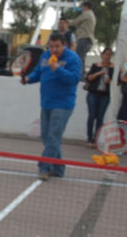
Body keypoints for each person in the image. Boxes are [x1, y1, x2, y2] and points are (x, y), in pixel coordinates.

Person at [21, 32, 82, 180]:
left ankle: (44, 167)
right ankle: (59, 169)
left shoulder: (73, 58)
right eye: (51, 46)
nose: (54, 50)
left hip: (63, 104)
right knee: (46, 137)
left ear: (64, 45)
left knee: (54, 136)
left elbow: (74, 79)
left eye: (57, 46)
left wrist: (57, 69)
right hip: (46, 102)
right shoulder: (45, 56)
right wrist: (28, 79)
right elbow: (38, 73)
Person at [84, 48, 114, 147]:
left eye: (109, 55)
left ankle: (96, 138)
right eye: (106, 54)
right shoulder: (95, 66)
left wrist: (110, 81)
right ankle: (89, 138)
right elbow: (89, 78)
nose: (107, 57)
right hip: (93, 93)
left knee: (100, 117)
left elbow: (117, 82)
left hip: (105, 94)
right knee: (92, 115)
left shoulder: (113, 68)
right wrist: (99, 73)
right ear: (102, 55)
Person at [70, 1, 96, 77]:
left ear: (85, 7)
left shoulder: (87, 14)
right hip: (88, 39)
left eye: (82, 7)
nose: (81, 9)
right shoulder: (91, 14)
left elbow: (75, 21)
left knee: (79, 57)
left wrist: (66, 22)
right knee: (82, 58)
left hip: (84, 38)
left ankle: (79, 75)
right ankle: (82, 75)